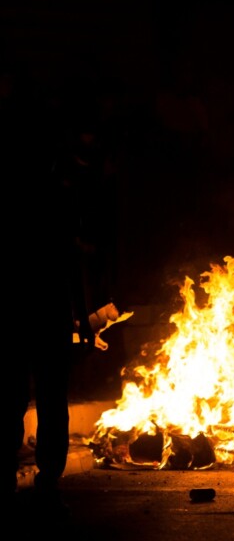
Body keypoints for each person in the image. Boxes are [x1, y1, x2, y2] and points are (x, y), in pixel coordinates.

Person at [2, 82, 96, 518]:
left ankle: (38, 481)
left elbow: (70, 259)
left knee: (20, 398)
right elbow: (70, 261)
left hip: (31, 309)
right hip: (41, 309)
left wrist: (81, 316)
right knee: (43, 399)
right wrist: (81, 317)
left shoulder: (39, 194)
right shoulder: (54, 195)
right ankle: (47, 482)